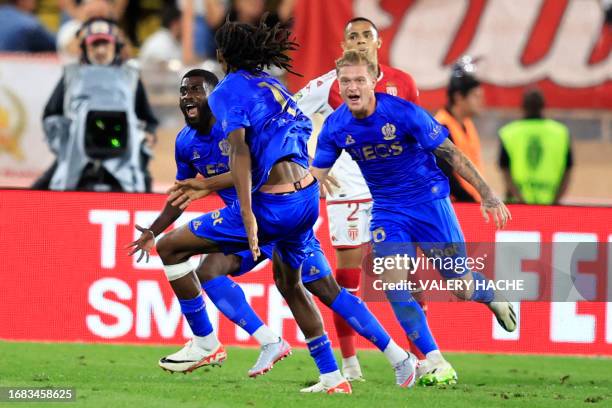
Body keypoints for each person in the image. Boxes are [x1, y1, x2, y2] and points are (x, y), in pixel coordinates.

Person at [125, 17, 409, 395]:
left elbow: (241, 153)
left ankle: (206, 343)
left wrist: (246, 215)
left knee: (170, 247)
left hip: (270, 208)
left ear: (222, 55)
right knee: (295, 284)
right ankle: (343, 374)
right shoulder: (273, 86)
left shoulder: (227, 92)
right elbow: (298, 133)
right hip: (306, 196)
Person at [311, 50, 517, 386]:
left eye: (359, 79)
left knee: (460, 287)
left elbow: (451, 153)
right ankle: (433, 360)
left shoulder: (404, 114)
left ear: (374, 80)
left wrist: (488, 194)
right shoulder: (336, 127)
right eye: (345, 80)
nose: (352, 87)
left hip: (429, 203)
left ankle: (488, 294)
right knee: (393, 284)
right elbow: (315, 176)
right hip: (388, 209)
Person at [295, 16, 422, 382]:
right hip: (348, 192)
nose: (361, 41)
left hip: (395, 193)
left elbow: (418, 132)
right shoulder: (328, 85)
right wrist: (310, 164)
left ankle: (422, 357)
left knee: (406, 277)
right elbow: (287, 117)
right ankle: (350, 364)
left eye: (367, 35)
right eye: (353, 36)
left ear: (379, 43)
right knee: (347, 281)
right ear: (344, 45)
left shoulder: (404, 83)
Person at [33, 18, 158, 192]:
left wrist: (147, 135)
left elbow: (148, 119)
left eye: (105, 44)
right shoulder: (71, 75)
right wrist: (65, 139)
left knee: (146, 192)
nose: (100, 51)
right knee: (42, 188)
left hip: (123, 156)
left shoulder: (131, 77)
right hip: (77, 155)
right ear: (85, 48)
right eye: (94, 45)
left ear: (116, 47)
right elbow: (51, 114)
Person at [498, 88, 573, 205]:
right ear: (544, 106)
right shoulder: (560, 133)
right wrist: (555, 200)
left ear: (522, 107)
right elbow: (568, 170)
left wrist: (520, 198)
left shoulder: (509, 132)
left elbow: (504, 169)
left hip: (518, 205)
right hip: (550, 203)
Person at [434, 56, 485, 203]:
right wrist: (473, 202)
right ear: (458, 97)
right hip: (458, 209)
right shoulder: (442, 128)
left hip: (471, 206)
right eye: (476, 96)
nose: (481, 100)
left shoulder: (467, 124)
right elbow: (447, 178)